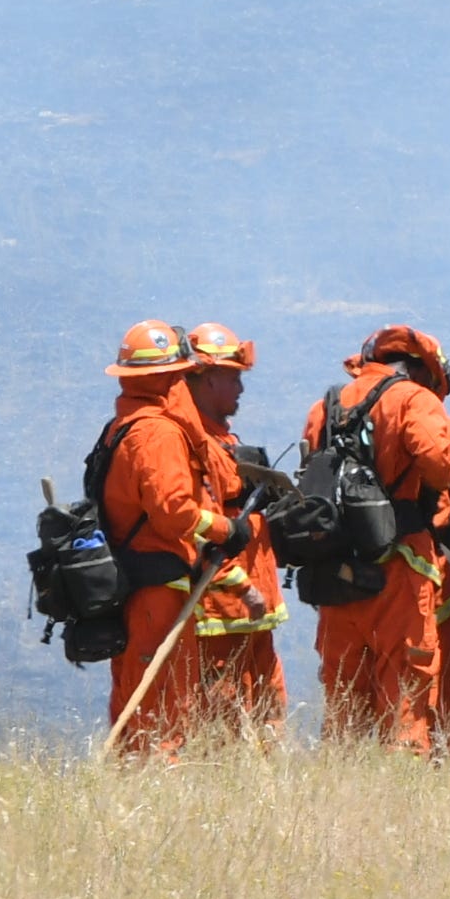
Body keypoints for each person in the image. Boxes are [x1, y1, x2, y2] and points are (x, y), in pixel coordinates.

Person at [303, 324, 450, 753]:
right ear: (426, 372)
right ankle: (414, 783)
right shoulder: (420, 405)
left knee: (344, 711)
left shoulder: (326, 409)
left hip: (336, 578)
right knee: (411, 703)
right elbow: (444, 472)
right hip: (407, 577)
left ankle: (340, 786)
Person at [98, 320, 255, 758]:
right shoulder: (159, 433)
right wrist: (227, 529)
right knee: (165, 707)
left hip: (133, 585)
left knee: (134, 701)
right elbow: (174, 512)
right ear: (171, 376)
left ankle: (130, 782)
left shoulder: (122, 426)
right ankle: (157, 783)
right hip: (158, 590)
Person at [183, 324, 290, 742]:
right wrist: (241, 586)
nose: (241, 388)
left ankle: (269, 775)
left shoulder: (221, 439)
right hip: (222, 606)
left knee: (267, 704)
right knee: (220, 711)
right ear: (207, 378)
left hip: (250, 608)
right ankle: (224, 774)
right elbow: (198, 525)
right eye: (233, 378)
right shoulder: (195, 443)